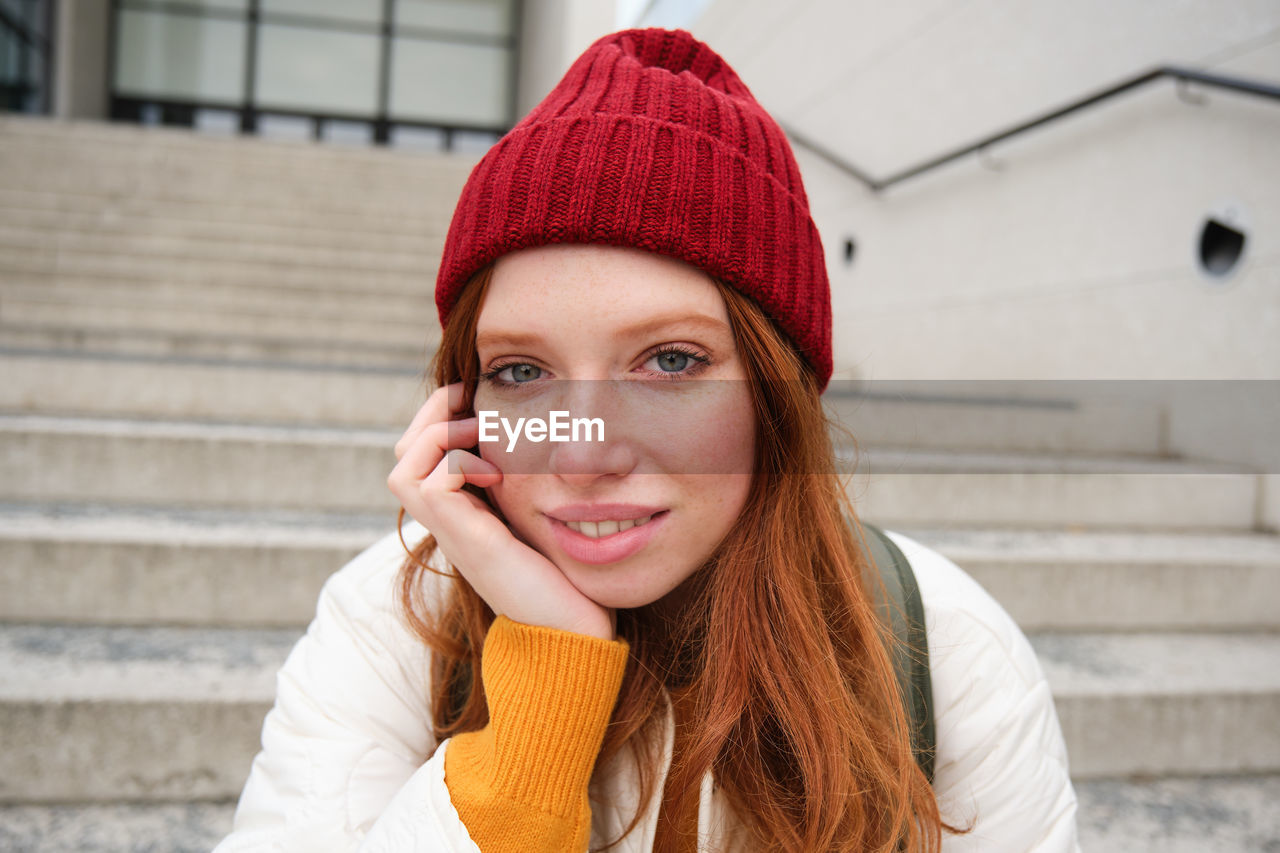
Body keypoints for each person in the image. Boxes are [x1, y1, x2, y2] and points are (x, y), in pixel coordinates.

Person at [215, 28, 1079, 853]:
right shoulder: (394, 621)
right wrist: (539, 698)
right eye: (521, 371)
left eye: (670, 361)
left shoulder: (943, 648)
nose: (584, 454)